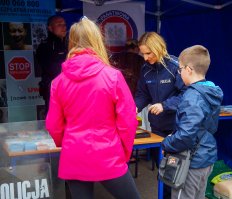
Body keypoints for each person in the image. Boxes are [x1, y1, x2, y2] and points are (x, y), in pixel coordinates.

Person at [45, 17, 140, 199]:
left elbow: (53, 125)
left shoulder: (58, 82)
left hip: (74, 154)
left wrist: (67, 144)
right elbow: (128, 121)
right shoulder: (112, 77)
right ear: (98, 40)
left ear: (71, 42)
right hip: (108, 154)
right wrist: (124, 152)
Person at [162, 45, 224, 199]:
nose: (179, 72)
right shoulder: (210, 91)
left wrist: (167, 143)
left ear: (188, 69)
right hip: (206, 155)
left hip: (192, 161)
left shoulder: (192, 96)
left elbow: (186, 134)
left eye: (180, 69)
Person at [135, 31, 186, 199]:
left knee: (175, 173)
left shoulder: (175, 66)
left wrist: (165, 105)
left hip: (175, 129)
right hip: (157, 130)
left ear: (159, 48)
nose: (145, 57)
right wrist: (134, 108)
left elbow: (187, 95)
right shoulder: (145, 70)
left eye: (148, 53)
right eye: (143, 53)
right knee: (163, 172)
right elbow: (142, 94)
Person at [36, 15, 68, 114]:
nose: (63, 27)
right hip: (53, 90)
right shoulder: (45, 46)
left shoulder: (69, 44)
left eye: (64, 24)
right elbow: (52, 69)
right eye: (59, 24)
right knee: (54, 120)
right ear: (50, 28)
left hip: (69, 89)